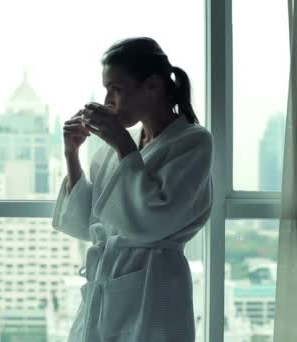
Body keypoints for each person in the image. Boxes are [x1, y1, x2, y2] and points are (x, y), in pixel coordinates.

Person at [52, 37, 213, 342]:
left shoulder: (193, 142)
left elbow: (155, 220)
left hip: (156, 282)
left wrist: (123, 144)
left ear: (152, 86)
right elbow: (89, 223)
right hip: (109, 281)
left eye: (116, 89)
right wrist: (71, 154)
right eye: (105, 90)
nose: (108, 100)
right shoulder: (119, 145)